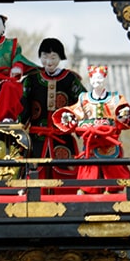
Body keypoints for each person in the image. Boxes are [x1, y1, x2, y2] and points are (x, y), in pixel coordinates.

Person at [53, 65, 130, 193]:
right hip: (91, 141)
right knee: (89, 168)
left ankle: (112, 189)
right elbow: (76, 113)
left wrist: (123, 116)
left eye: (99, 78)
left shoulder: (114, 98)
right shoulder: (84, 99)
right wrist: (69, 117)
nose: (96, 81)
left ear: (105, 78)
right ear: (89, 79)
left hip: (109, 141)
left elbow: (122, 112)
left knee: (112, 168)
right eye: (93, 78)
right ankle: (87, 189)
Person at [21, 38, 86, 181]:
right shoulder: (31, 79)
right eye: (45, 56)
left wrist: (84, 129)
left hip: (62, 138)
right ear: (40, 56)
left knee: (64, 178)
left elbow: (83, 103)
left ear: (60, 58)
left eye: (53, 57)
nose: (49, 62)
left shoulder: (69, 79)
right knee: (35, 177)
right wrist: (17, 128)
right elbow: (21, 106)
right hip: (36, 139)